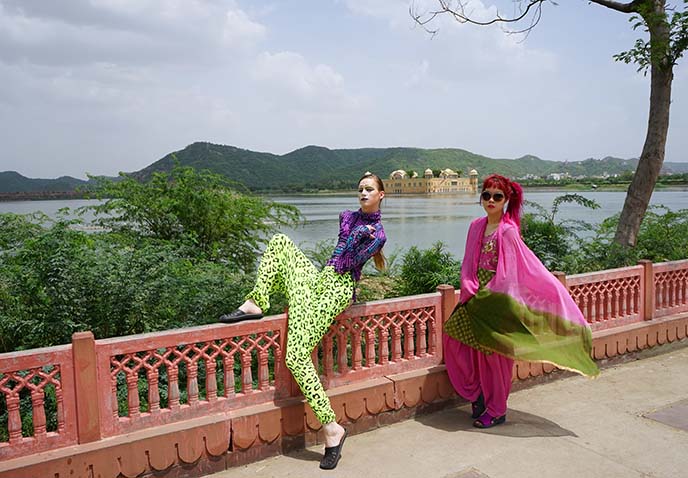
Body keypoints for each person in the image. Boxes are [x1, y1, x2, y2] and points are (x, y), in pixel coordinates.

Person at [218, 172, 387, 470]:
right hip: (321, 278)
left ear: (381, 195)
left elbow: (348, 262)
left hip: (339, 288)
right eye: (360, 189)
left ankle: (332, 428)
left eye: (369, 189)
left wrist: (359, 236)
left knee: (296, 357)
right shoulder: (347, 217)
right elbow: (338, 252)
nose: (363, 193)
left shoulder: (379, 234)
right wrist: (355, 232)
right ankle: (256, 301)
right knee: (280, 241)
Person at [443, 174, 599, 429]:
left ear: (506, 200)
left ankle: (496, 410)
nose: (491, 200)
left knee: (495, 357)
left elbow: (509, 274)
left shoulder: (507, 231)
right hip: (474, 294)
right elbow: (468, 262)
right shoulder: (475, 226)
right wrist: (469, 288)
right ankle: (478, 394)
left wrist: (488, 294)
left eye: (497, 196)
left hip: (497, 300)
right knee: (457, 340)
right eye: (486, 195)